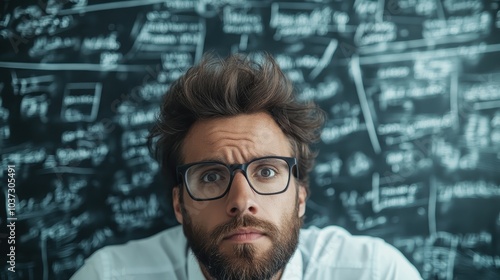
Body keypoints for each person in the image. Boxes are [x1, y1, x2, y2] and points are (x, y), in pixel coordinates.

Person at [70, 53, 422, 280]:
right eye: (210, 176)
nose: (241, 200)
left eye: (267, 171)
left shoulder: (376, 273)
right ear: (179, 204)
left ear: (300, 196)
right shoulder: (110, 276)